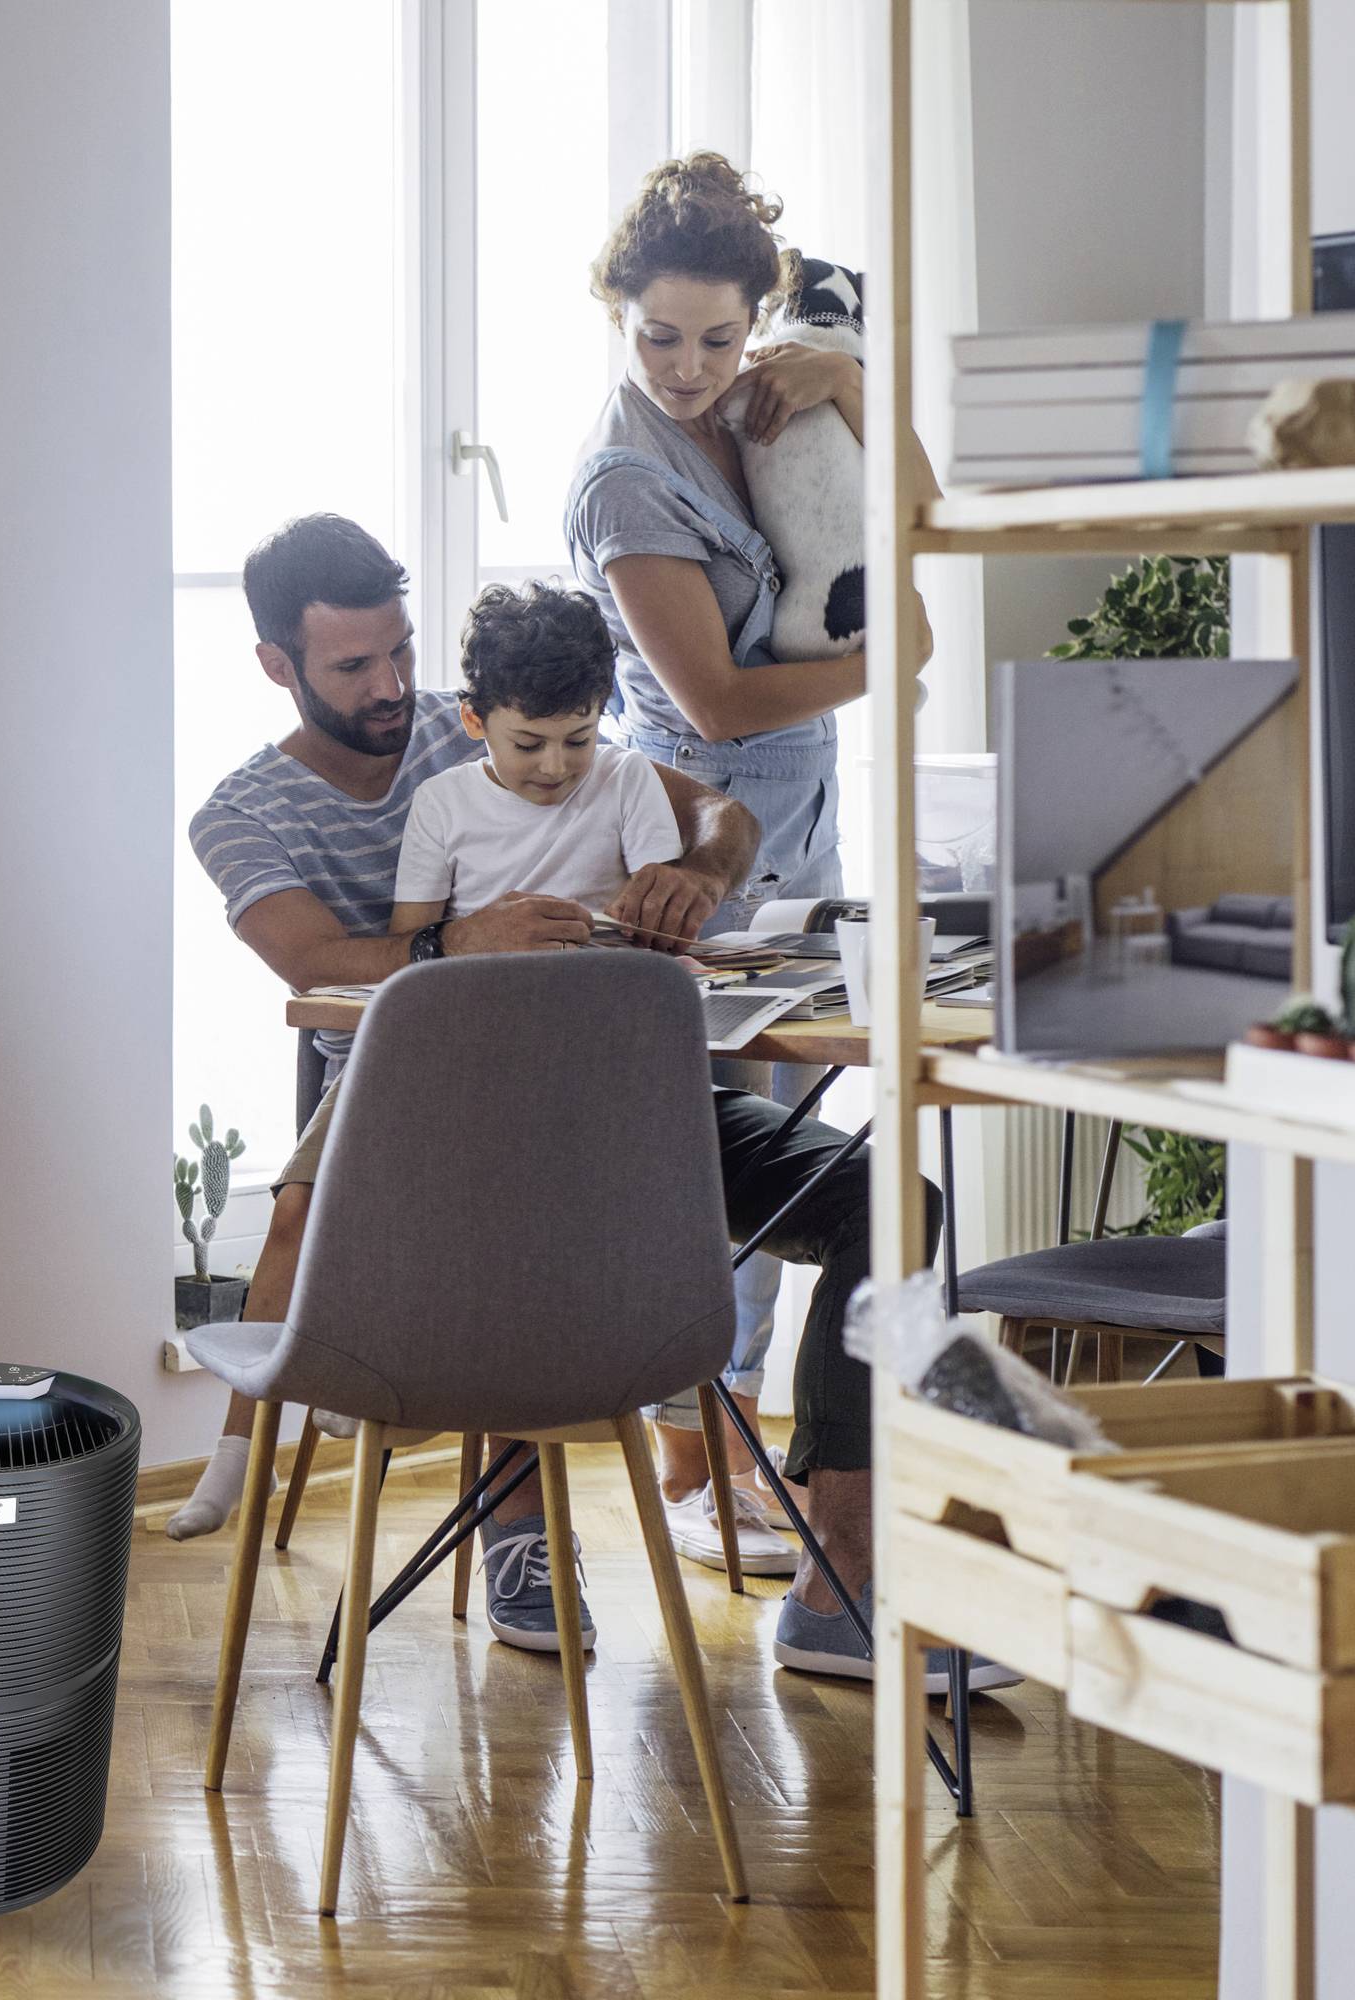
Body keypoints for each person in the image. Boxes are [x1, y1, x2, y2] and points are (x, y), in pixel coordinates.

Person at [182, 512, 983, 1687]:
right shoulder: (244, 812)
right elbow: (311, 961)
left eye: (400, 650)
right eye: (355, 666)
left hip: (630, 1099)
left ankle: (843, 1571)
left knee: (890, 1203)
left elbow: (722, 815)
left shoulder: (513, 714)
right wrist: (462, 940)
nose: (394, 684)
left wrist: (688, 875)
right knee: (528, 1223)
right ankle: (519, 1532)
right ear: (278, 666)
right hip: (435, 1128)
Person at [562, 152, 940, 1587]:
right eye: (660, 335)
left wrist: (846, 385)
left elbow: (920, 501)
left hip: (810, 838)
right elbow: (715, 703)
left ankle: (745, 1447)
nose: (687, 366)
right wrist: (873, 667)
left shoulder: (770, 400)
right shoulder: (621, 480)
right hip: (693, 845)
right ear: (618, 314)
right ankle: (691, 1452)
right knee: (704, 1169)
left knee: (796, 1152)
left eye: (717, 337)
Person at [384, 582, 683, 947]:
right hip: (488, 992)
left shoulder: (626, 778)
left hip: (613, 987)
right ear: (474, 720)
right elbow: (408, 942)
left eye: (578, 740)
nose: (555, 768)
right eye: (528, 745)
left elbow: (663, 923)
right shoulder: (440, 802)